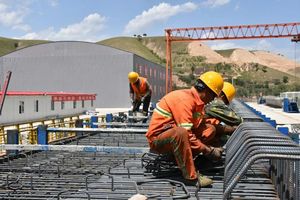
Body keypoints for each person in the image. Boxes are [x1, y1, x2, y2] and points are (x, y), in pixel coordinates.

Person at [145, 71, 224, 187]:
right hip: (158, 140)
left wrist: (219, 134)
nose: (212, 100)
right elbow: (186, 132)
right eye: (213, 96)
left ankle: (187, 160)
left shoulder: (197, 102)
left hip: (174, 136)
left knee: (209, 129)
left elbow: (199, 125)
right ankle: (190, 177)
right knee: (181, 133)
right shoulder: (184, 100)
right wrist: (208, 150)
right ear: (206, 91)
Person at [204, 82, 242, 147]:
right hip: (201, 135)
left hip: (198, 132)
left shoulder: (208, 100)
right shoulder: (217, 103)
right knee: (224, 137)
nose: (225, 105)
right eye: (226, 102)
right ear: (222, 96)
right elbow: (237, 120)